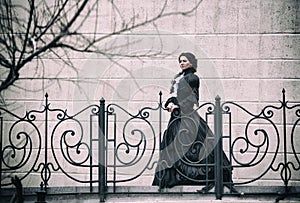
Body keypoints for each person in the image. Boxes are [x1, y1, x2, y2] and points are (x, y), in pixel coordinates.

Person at [152, 52, 234, 192]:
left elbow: (194, 98)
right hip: (176, 118)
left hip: (187, 116)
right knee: (174, 146)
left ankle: (207, 178)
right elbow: (173, 95)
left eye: (184, 61)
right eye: (180, 61)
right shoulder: (179, 78)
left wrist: (178, 104)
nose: (182, 63)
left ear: (191, 62)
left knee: (196, 145)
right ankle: (176, 179)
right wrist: (171, 103)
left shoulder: (193, 78)